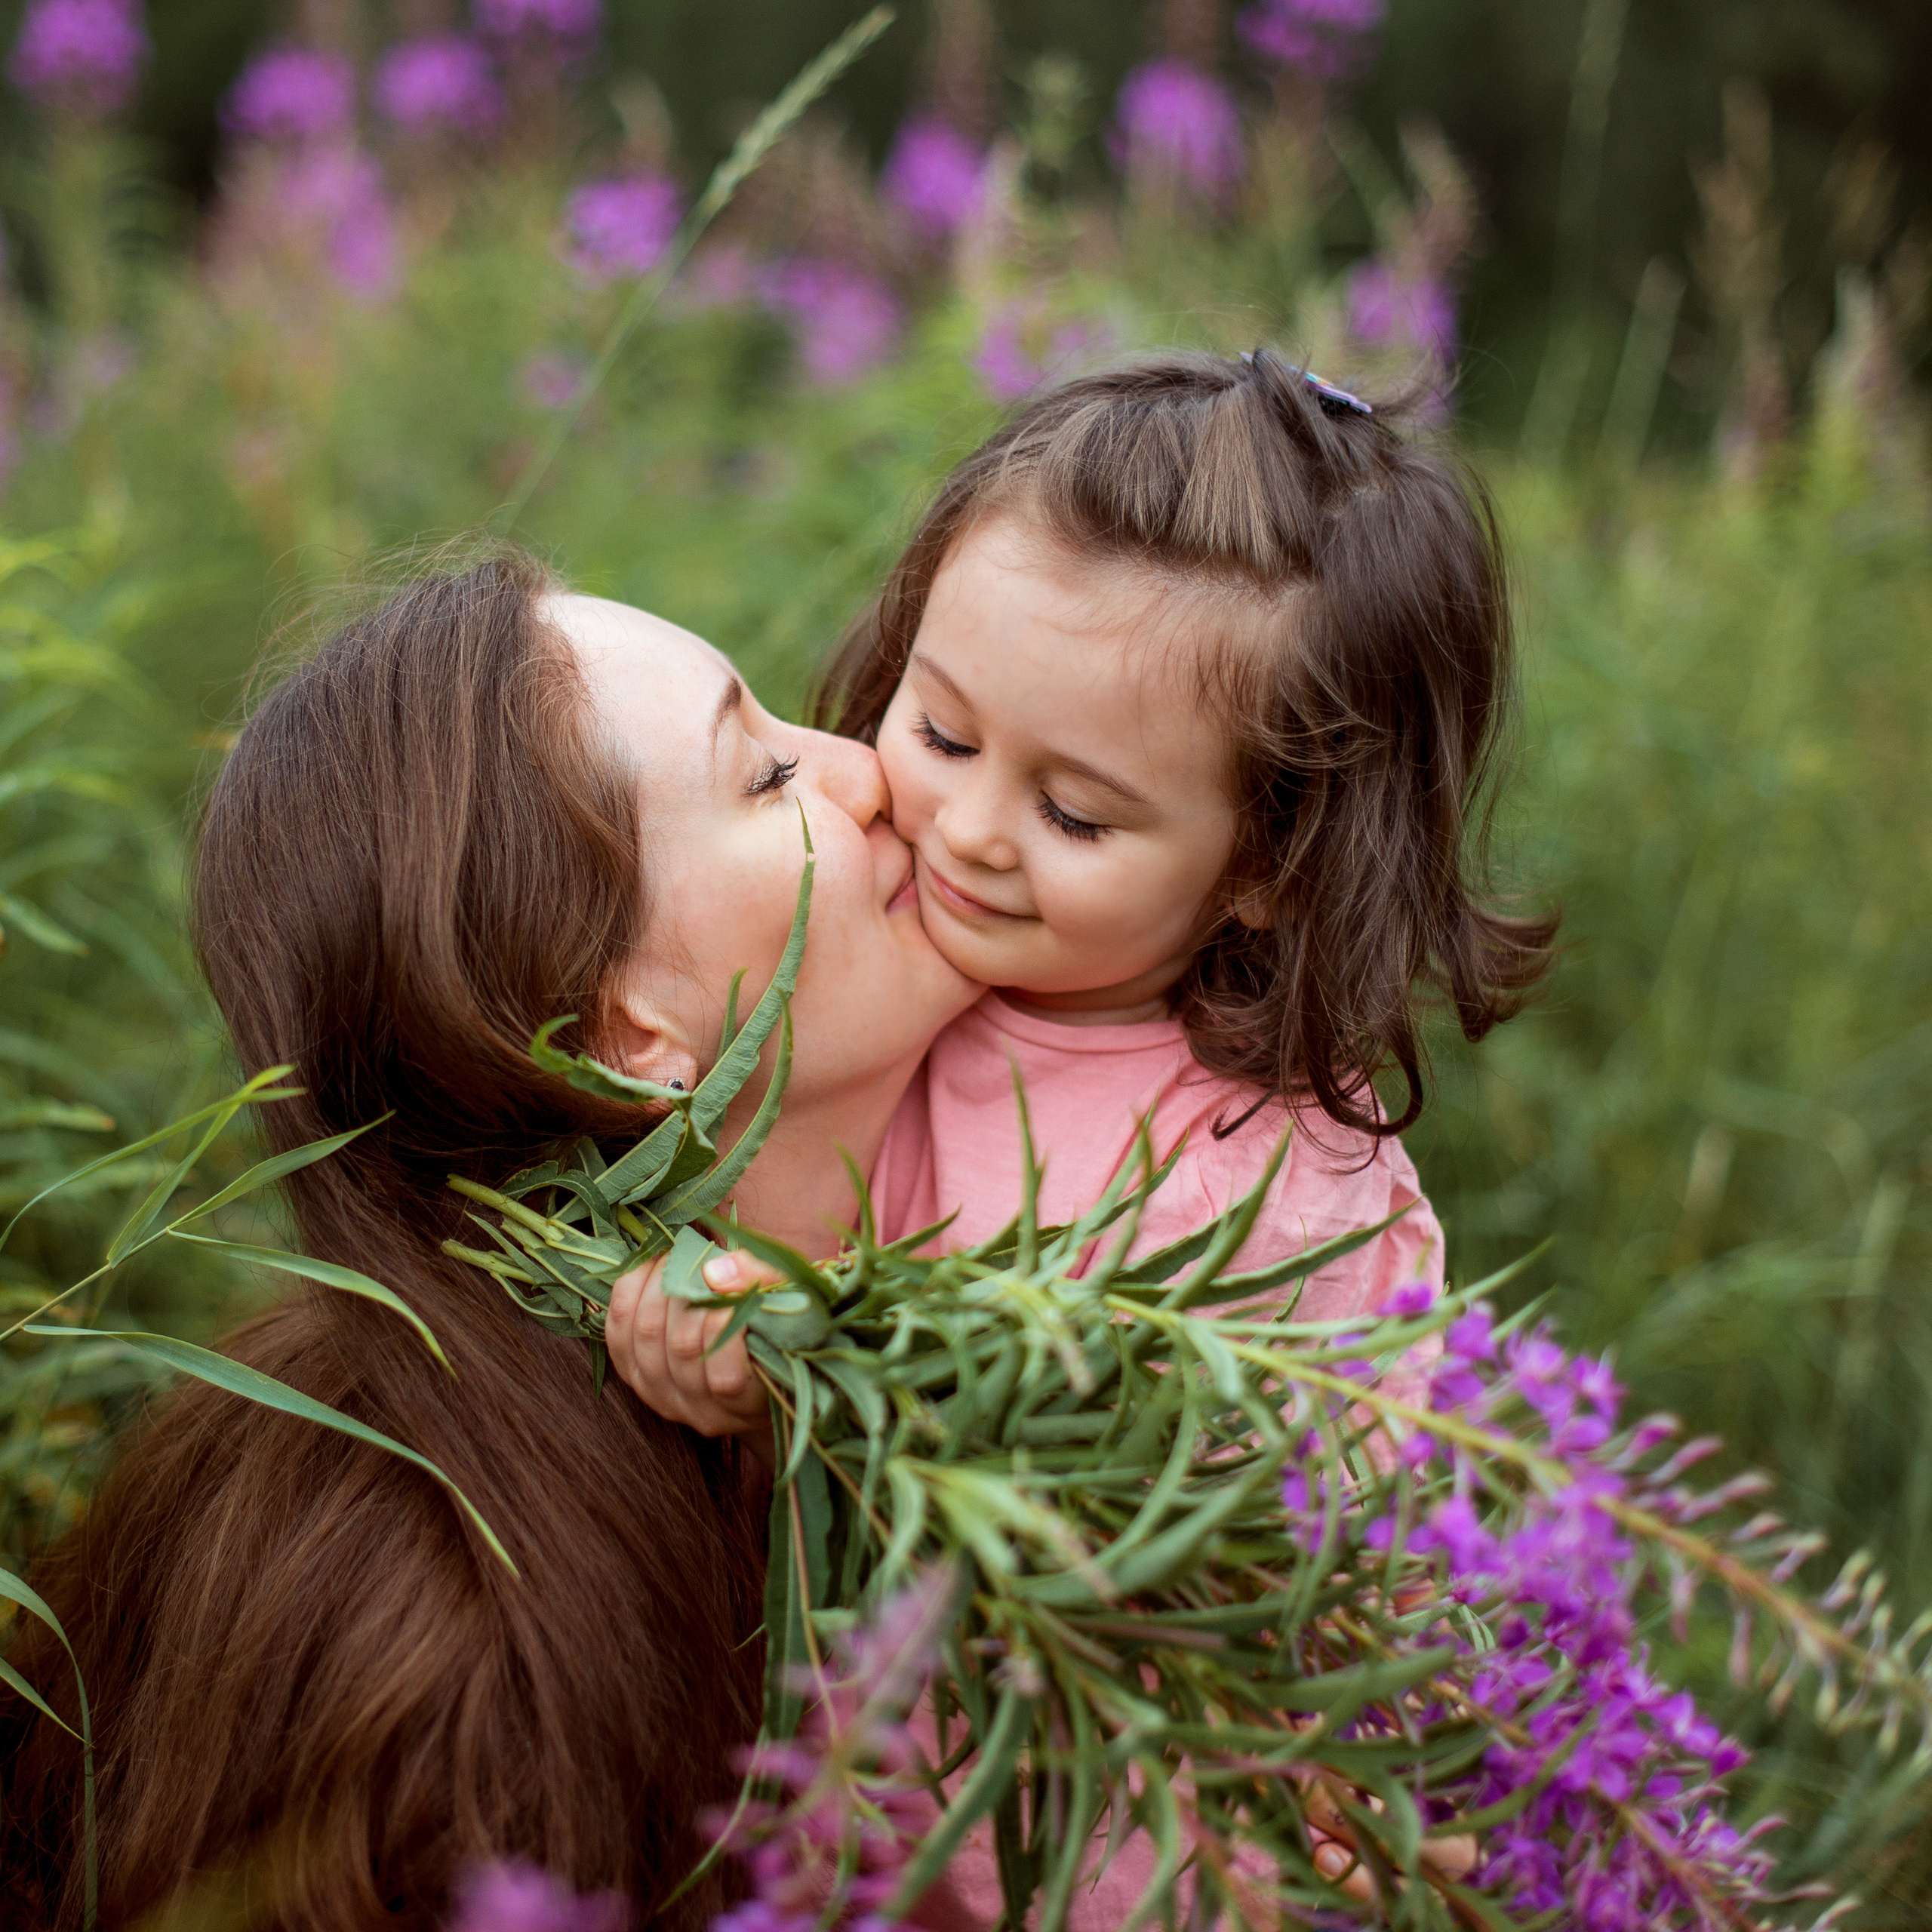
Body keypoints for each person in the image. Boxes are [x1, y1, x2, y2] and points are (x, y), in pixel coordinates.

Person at [0, 552, 979, 1932]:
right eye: (764, 775)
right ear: (626, 1040)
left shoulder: (1065, 1208)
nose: (872, 769)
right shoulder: (457, 1653)